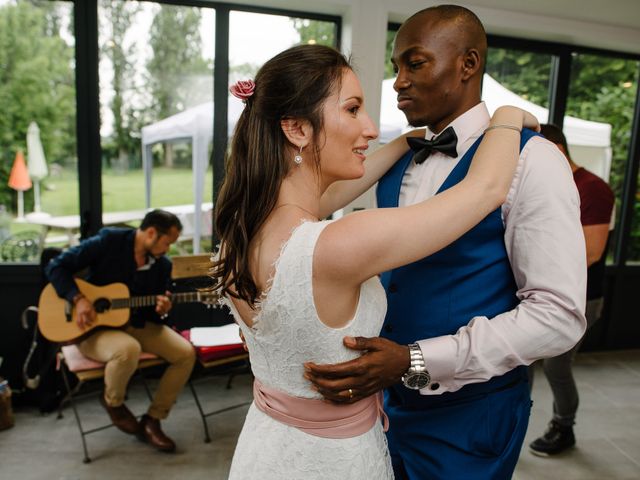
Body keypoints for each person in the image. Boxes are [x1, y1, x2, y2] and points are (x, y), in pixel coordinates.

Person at [211, 42, 538, 479]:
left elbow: (322, 195)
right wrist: (508, 117)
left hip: (268, 445)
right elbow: (484, 190)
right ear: (297, 129)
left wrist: (406, 142)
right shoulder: (338, 244)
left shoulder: (241, 228)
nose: (369, 128)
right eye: (352, 110)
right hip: (334, 462)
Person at [304, 5, 587, 479]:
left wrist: (416, 360)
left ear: (468, 64)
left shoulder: (532, 161)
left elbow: (558, 315)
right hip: (381, 406)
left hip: (471, 416)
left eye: (414, 63)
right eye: (396, 68)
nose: (397, 82)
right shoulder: (396, 157)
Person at [45, 209, 196, 452]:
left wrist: (162, 308)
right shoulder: (108, 242)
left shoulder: (161, 265)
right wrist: (78, 299)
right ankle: (113, 402)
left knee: (185, 353)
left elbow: (157, 308)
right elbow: (56, 266)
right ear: (150, 233)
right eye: (167, 242)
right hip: (91, 327)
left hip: (135, 324)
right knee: (127, 350)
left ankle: (153, 419)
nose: (168, 249)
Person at [529, 124, 615, 456]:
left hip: (581, 296)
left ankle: (564, 426)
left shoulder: (593, 188)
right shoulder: (546, 184)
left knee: (555, 366)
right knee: (521, 365)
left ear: (558, 151)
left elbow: (591, 252)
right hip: (540, 292)